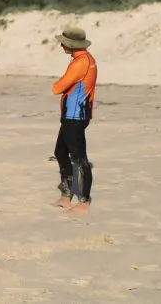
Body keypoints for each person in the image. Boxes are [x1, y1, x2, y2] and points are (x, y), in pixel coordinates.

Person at [51, 27, 97, 216]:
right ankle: (66, 195)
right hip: (74, 115)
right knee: (60, 152)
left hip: (75, 116)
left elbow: (58, 87)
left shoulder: (80, 63)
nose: (62, 46)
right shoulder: (86, 59)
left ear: (71, 45)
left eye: (64, 43)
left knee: (79, 159)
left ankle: (84, 201)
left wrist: (57, 84)